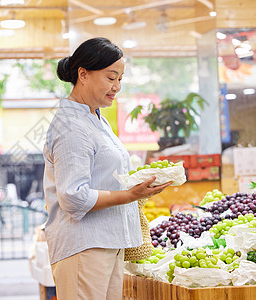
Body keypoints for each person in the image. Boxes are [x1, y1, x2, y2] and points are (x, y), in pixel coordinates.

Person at [43, 37, 172, 300]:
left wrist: (140, 186)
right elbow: (73, 196)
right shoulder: (72, 127)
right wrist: (131, 195)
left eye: (120, 79)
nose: (117, 87)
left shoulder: (95, 119)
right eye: (111, 77)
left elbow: (105, 177)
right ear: (83, 74)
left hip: (106, 243)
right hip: (84, 246)